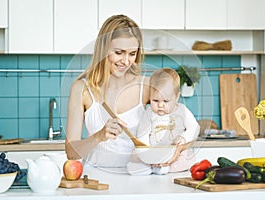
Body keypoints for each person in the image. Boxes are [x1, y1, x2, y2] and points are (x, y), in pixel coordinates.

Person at [65, 14, 150, 168]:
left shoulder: (146, 87)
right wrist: (99, 136)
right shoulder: (81, 89)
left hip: (139, 180)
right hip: (96, 179)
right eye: (119, 53)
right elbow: (71, 152)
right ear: (103, 49)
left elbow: (175, 121)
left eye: (132, 54)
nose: (125, 61)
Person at [127, 68, 200, 175]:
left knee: (186, 158)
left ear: (176, 97)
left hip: (174, 152)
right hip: (154, 152)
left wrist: (183, 138)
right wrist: (147, 154)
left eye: (166, 101)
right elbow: (142, 135)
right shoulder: (149, 113)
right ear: (150, 96)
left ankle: (166, 167)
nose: (160, 105)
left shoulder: (182, 110)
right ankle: (152, 167)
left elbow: (194, 127)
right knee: (134, 157)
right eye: (155, 100)